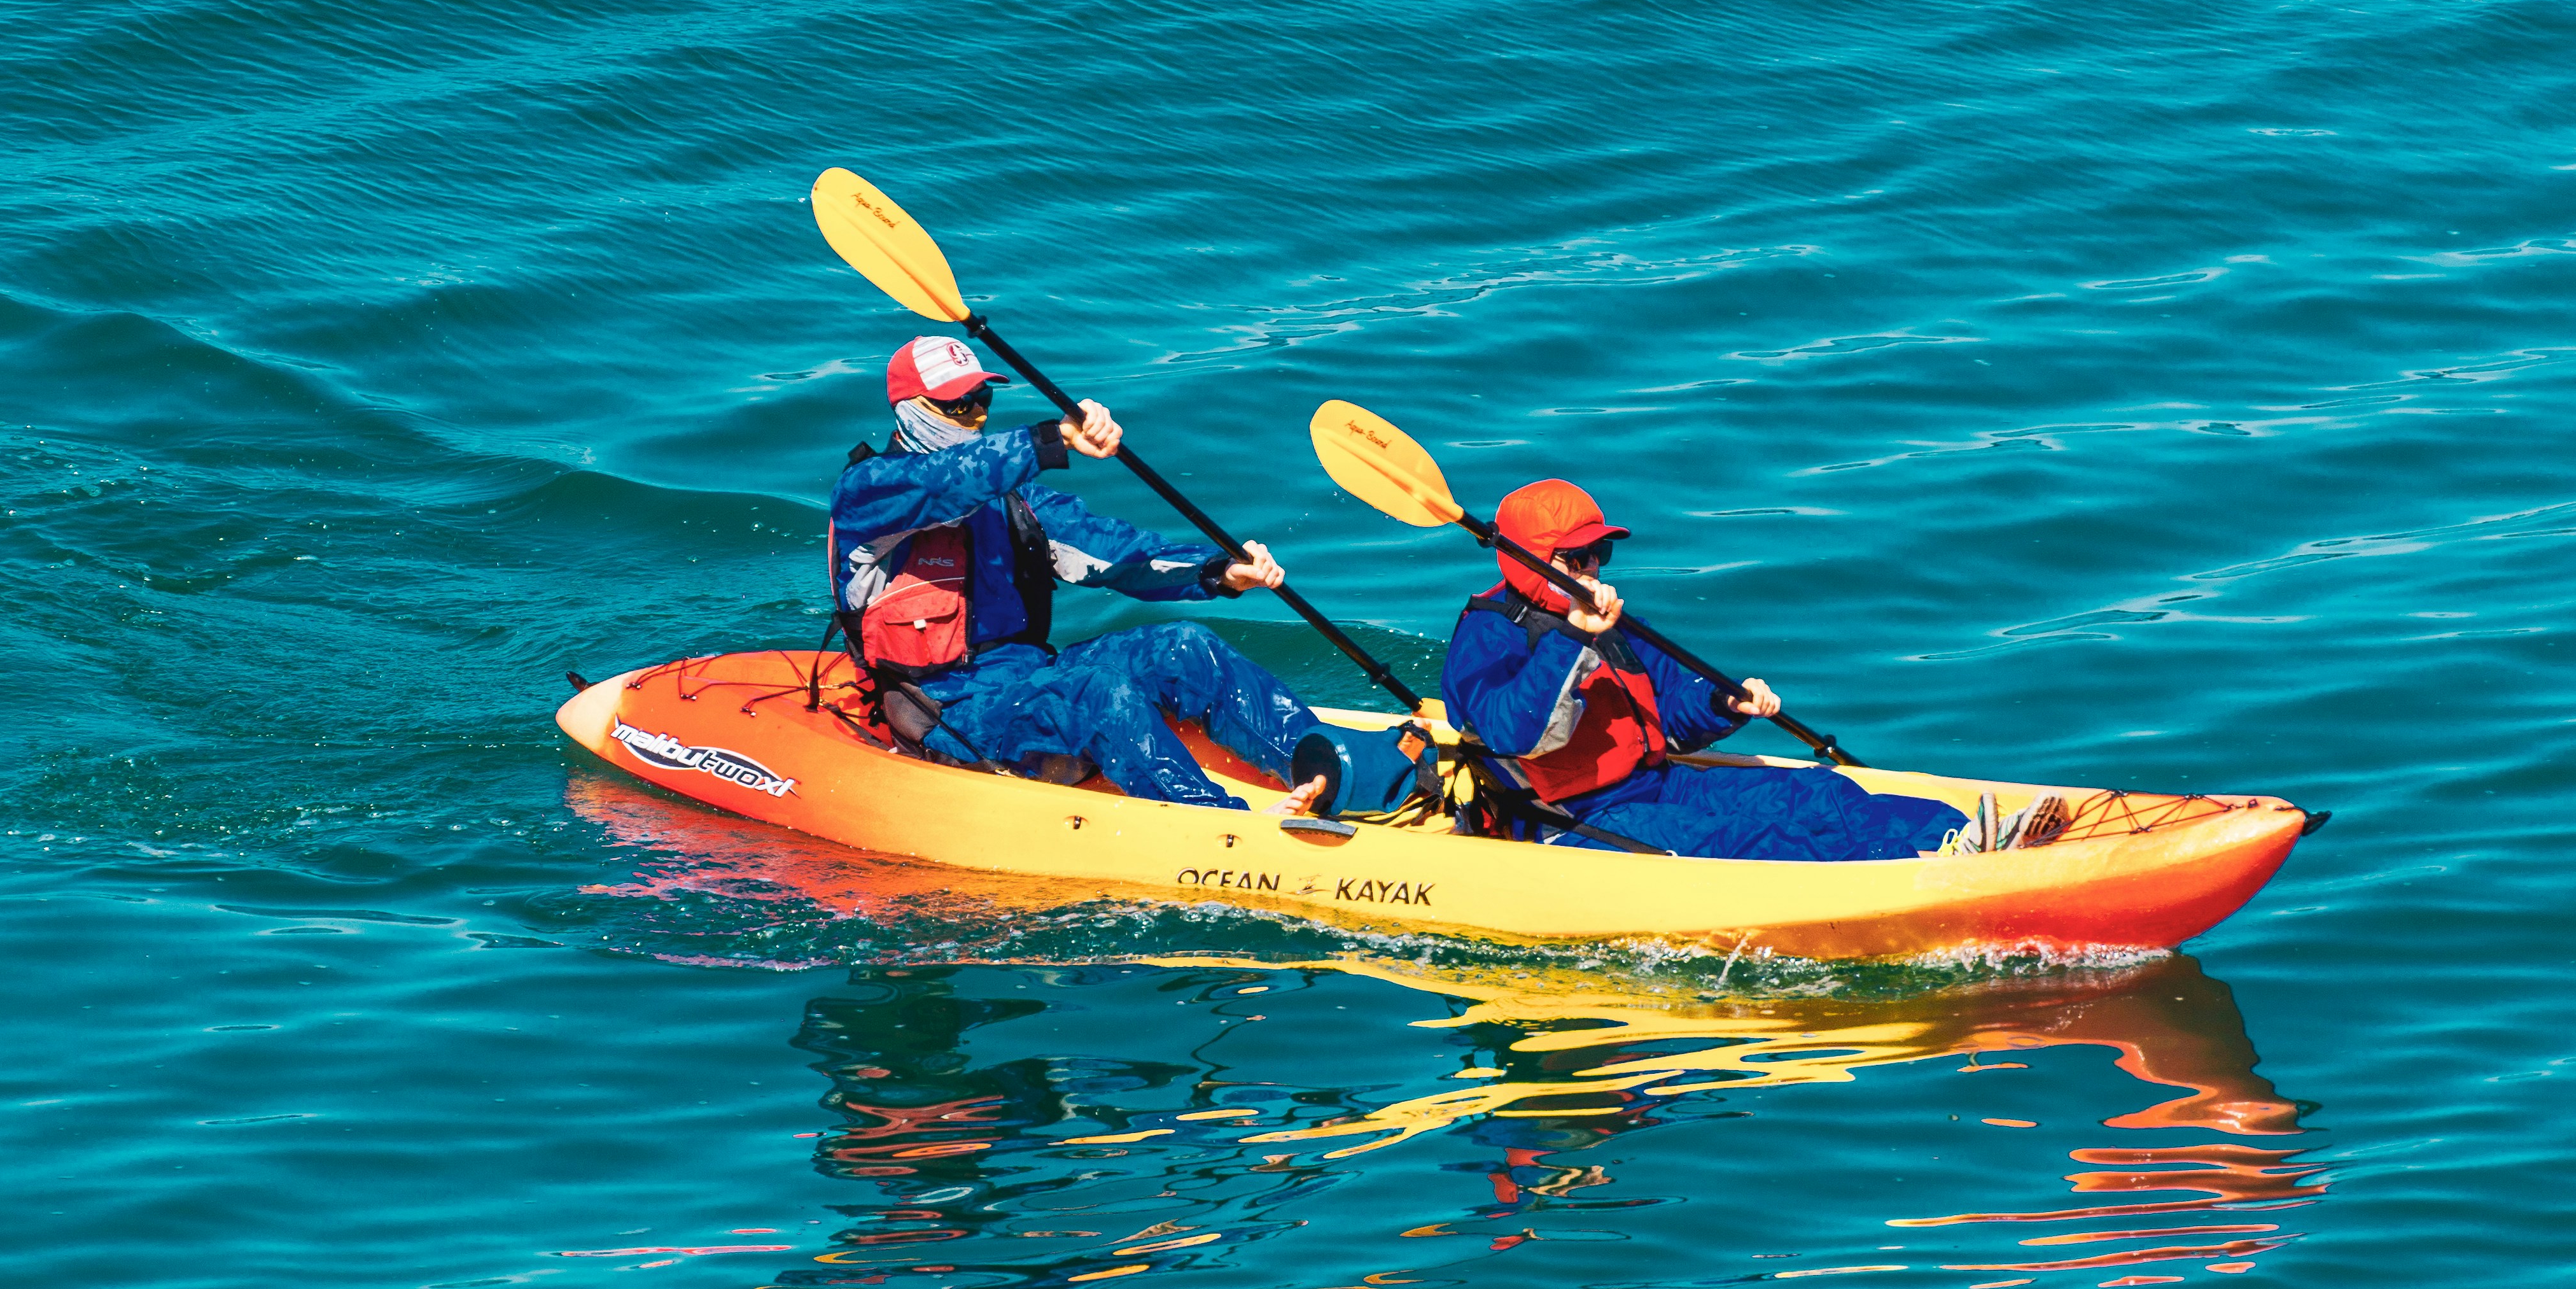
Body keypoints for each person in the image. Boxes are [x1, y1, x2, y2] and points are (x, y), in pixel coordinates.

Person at [832, 335, 1343, 814]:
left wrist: (1220, 571)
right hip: (948, 715)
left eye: (984, 398)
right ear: (909, 410)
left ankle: (1331, 769)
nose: (977, 415)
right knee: (1096, 692)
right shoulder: (867, 496)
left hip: (1027, 678)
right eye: (959, 405)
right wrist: (1051, 440)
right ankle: (1214, 823)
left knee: (1186, 646)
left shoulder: (1016, 498)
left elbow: (1114, 551)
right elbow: (940, 482)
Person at [1439, 480, 1990, 859]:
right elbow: (1519, 735)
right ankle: (1921, 873)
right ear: (1528, 558)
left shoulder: (1611, 619)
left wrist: (1721, 704)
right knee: (1765, 840)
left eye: (1598, 555)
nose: (1591, 569)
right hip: (1568, 820)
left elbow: (1670, 716)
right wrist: (1576, 637)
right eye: (1574, 558)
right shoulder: (1487, 636)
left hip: (1653, 785)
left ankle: (1962, 835)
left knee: (1821, 794)